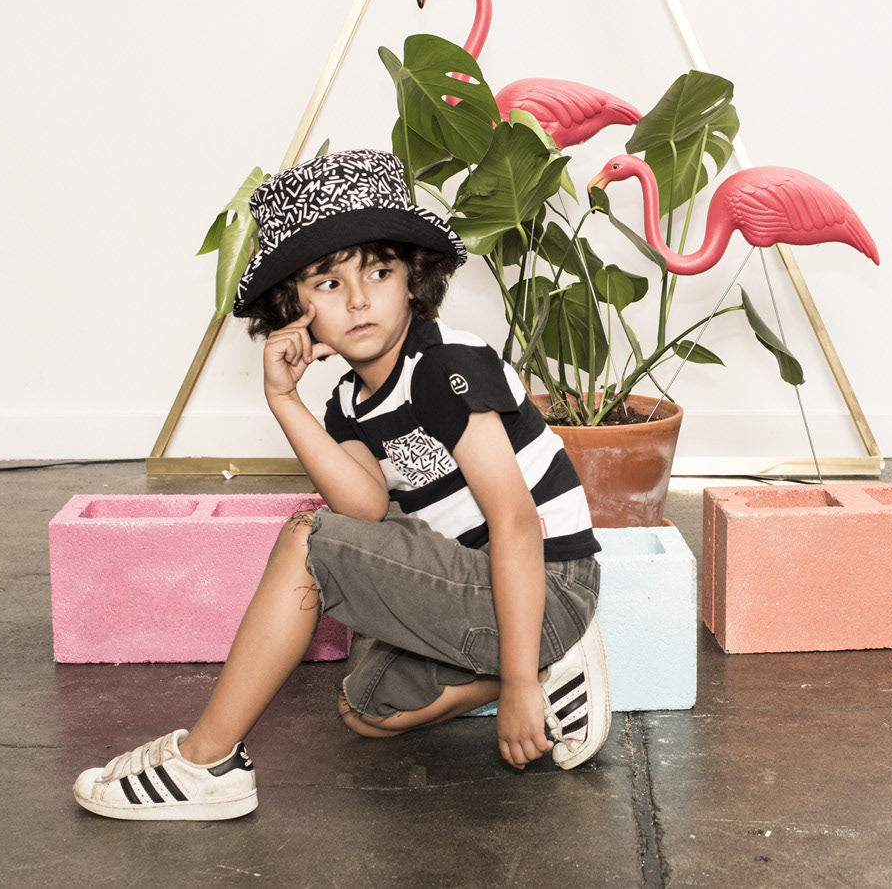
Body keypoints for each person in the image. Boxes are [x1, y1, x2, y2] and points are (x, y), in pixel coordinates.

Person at [72, 149, 609, 821]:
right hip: (484, 591)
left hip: (546, 581)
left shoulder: (443, 367)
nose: (358, 299)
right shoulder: (349, 405)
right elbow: (365, 506)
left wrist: (520, 686)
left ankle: (206, 762)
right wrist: (284, 399)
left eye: (379, 272)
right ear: (294, 308)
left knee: (308, 537)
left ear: (412, 279)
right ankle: (558, 662)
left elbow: (516, 521)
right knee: (366, 708)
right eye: (328, 283)